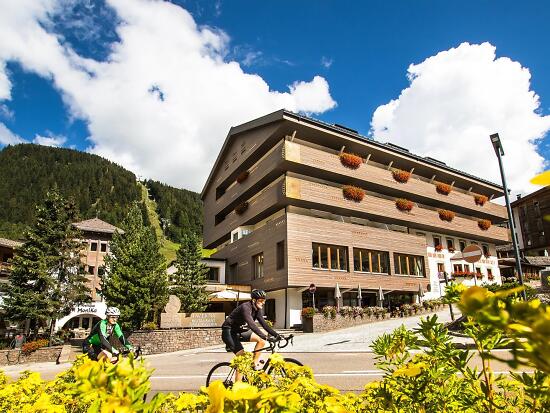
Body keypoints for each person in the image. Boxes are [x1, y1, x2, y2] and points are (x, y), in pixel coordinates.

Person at [221, 289, 280, 377]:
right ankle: (238, 384)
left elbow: (264, 324)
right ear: (254, 300)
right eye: (261, 300)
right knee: (242, 360)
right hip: (229, 332)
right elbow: (252, 325)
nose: (263, 303)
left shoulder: (257, 309)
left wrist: (277, 335)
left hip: (240, 331)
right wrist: (265, 336)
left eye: (264, 300)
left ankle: (253, 364)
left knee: (261, 341)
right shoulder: (245, 307)